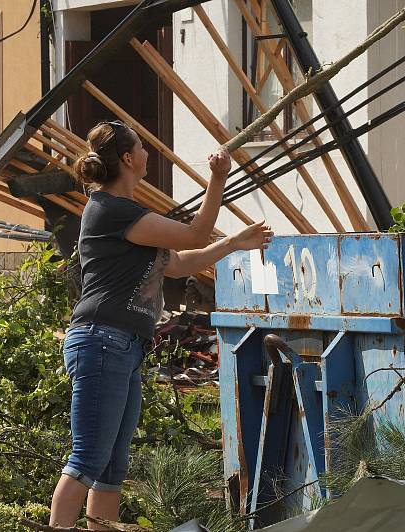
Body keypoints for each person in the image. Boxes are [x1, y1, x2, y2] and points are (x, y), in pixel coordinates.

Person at [49, 120, 272, 528]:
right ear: (129, 159)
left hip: (123, 347)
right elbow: (194, 234)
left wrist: (233, 243)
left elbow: (177, 263)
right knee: (87, 459)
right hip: (102, 342)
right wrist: (218, 178)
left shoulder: (128, 217)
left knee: (111, 467)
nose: (150, 151)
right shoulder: (111, 210)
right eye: (142, 145)